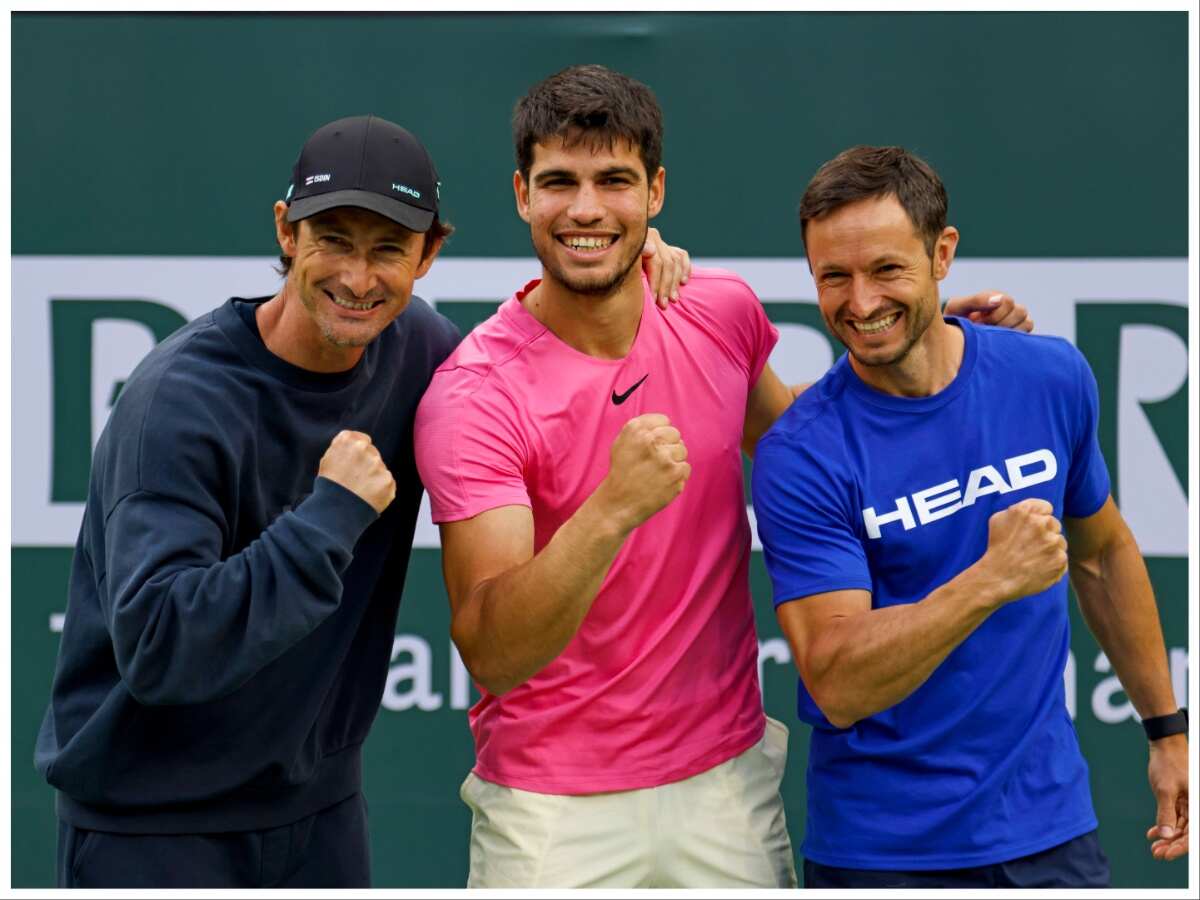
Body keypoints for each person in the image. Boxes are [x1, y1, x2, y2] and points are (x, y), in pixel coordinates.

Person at [413, 65, 1032, 889]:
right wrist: (611, 511)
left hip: (724, 787)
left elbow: (806, 439)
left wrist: (934, 341)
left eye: (615, 182)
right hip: (549, 812)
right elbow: (493, 652)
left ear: (656, 192)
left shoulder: (718, 309)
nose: (588, 209)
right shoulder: (474, 393)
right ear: (523, 194)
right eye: (560, 182)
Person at [31, 112, 686, 890]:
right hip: (154, 829)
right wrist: (328, 517)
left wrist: (626, 260)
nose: (358, 276)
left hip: (320, 820)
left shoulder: (423, 350)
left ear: (429, 254)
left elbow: (531, 349)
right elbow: (160, 647)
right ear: (286, 232)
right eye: (333, 240)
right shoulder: (176, 404)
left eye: (387, 250)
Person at [751, 145, 1189, 889]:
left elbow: (1103, 554)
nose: (859, 303)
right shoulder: (801, 451)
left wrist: (1168, 732)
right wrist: (989, 581)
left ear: (942, 252)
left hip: (1053, 833)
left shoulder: (1050, 375)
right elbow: (837, 682)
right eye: (834, 277)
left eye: (887, 269)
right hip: (884, 856)